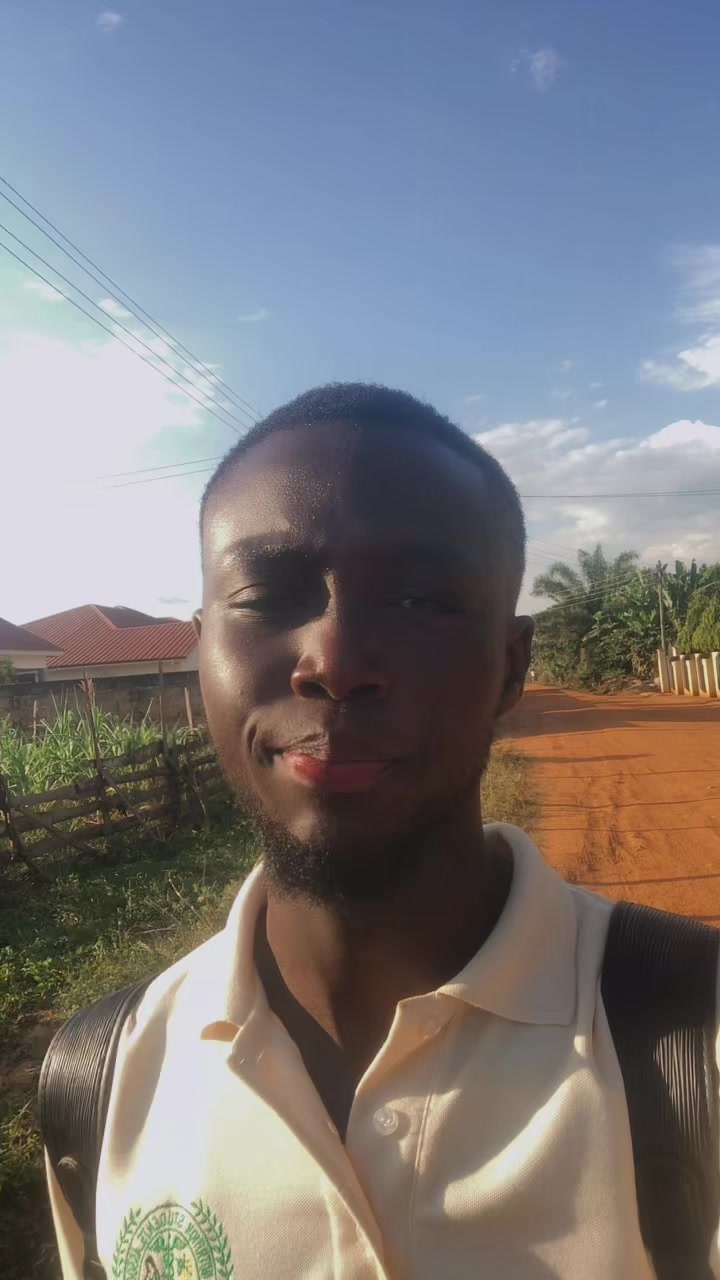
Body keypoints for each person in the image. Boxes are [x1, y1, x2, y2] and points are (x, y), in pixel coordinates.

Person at [46, 383, 718, 1280]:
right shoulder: (101, 1080)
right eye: (266, 595)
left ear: (510, 666)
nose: (334, 663)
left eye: (421, 601)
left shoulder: (695, 1041)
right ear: (203, 653)